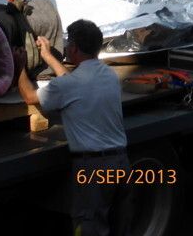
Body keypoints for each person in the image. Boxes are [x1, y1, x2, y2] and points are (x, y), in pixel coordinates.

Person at [18, 19, 131, 236]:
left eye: (69, 43)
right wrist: (49, 57)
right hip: (120, 164)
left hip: (92, 170)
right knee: (120, 227)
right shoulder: (109, 75)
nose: (67, 47)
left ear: (75, 49)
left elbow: (30, 96)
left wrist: (19, 66)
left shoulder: (68, 86)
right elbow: (72, 82)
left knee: (88, 227)